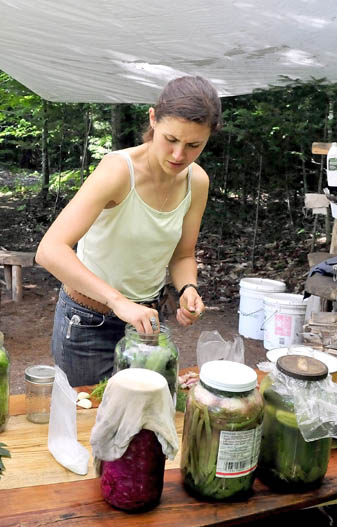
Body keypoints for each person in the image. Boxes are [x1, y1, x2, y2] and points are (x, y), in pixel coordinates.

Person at [35, 75, 222, 386]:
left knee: (144, 424)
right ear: (152, 119)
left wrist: (188, 288)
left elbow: (183, 254)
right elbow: (50, 250)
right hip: (88, 324)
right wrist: (116, 301)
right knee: (89, 426)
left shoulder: (197, 181)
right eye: (170, 140)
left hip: (146, 325)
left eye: (193, 145)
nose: (179, 155)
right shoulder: (118, 171)